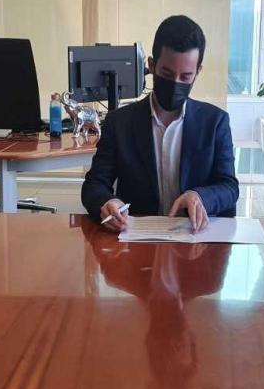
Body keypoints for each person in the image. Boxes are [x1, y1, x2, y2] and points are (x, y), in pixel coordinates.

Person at [81, 15, 239, 233]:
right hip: (137, 240)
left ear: (198, 72)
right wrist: (107, 202)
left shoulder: (215, 122)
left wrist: (200, 196)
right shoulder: (120, 123)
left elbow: (229, 187)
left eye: (186, 76)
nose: (175, 83)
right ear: (152, 65)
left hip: (195, 239)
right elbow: (94, 184)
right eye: (167, 73)